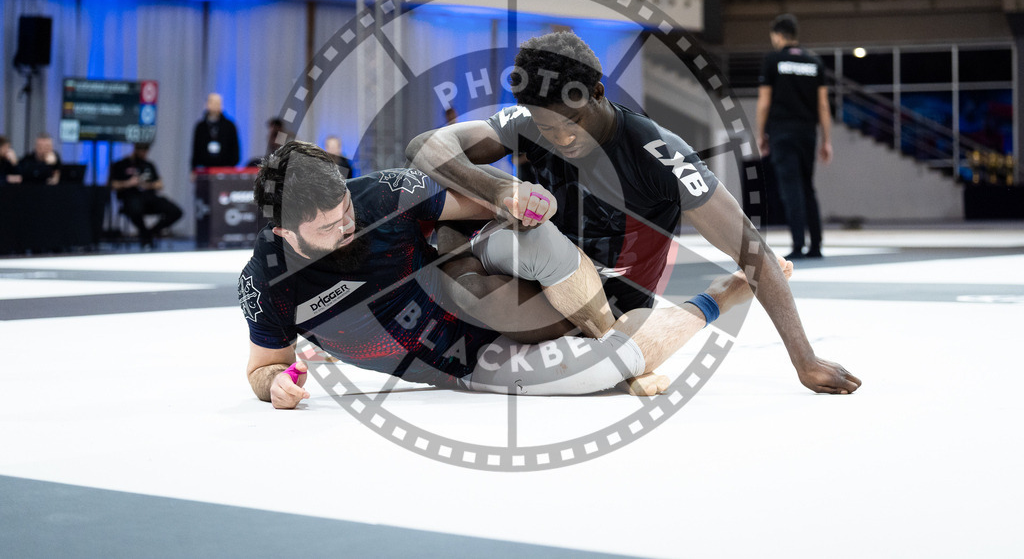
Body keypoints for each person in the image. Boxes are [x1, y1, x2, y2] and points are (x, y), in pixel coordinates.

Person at [406, 30, 858, 395]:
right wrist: (499, 186)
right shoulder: (528, 122)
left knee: (502, 312)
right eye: (547, 127)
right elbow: (425, 147)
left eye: (572, 122)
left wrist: (805, 360)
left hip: (613, 300)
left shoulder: (661, 155)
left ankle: (718, 296)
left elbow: (753, 251)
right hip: (545, 268)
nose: (561, 139)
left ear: (597, 93)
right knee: (455, 251)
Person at [242, 141, 842, 409]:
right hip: (465, 366)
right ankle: (722, 294)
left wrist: (516, 196)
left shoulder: (377, 196)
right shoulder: (265, 285)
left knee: (516, 243)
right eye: (327, 227)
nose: (345, 227)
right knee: (606, 371)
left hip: (479, 280)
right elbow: (264, 367)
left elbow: (481, 203)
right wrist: (277, 387)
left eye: (345, 211)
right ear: (282, 234)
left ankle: (597, 298)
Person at [755, 14, 832, 260]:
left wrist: (761, 134)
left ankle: (798, 245)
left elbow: (764, 103)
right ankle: (816, 245)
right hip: (807, 134)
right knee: (808, 187)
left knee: (791, 189)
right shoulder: (813, 62)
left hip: (782, 133)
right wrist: (826, 140)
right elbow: (823, 105)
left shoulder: (773, 60)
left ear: (777, 35)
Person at [110, 142, 184, 248]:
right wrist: (129, 183)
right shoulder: (121, 164)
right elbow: (112, 185)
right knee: (134, 208)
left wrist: (146, 185)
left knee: (176, 211)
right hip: (130, 198)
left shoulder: (148, 165)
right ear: (135, 149)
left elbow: (159, 184)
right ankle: (145, 233)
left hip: (149, 198)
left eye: (146, 151)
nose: (144, 153)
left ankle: (149, 233)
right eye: (142, 151)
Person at [190, 93, 240, 178]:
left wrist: (230, 168)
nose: (215, 106)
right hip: (204, 171)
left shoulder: (229, 126)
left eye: (218, 103)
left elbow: (235, 149)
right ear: (207, 105)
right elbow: (195, 150)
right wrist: (194, 169)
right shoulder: (200, 126)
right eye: (213, 103)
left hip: (224, 172)